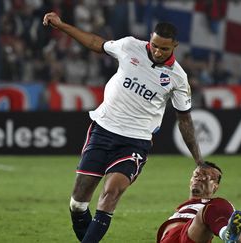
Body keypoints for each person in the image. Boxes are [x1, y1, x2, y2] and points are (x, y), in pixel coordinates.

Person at [43, 12, 204, 243]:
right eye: (155, 46)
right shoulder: (130, 46)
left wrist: (198, 159)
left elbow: (185, 119)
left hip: (134, 141)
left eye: (164, 49)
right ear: (150, 39)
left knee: (111, 192)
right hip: (103, 130)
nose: (158, 52)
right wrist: (62, 26)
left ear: (175, 46)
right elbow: (95, 43)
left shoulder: (178, 78)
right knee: (78, 205)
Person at [157, 162, 241, 243]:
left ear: (215, 186)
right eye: (196, 175)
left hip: (190, 236)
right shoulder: (183, 207)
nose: (198, 178)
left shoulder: (217, 205)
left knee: (210, 208)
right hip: (168, 239)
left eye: (205, 176)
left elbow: (238, 233)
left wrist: (235, 236)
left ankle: (225, 234)